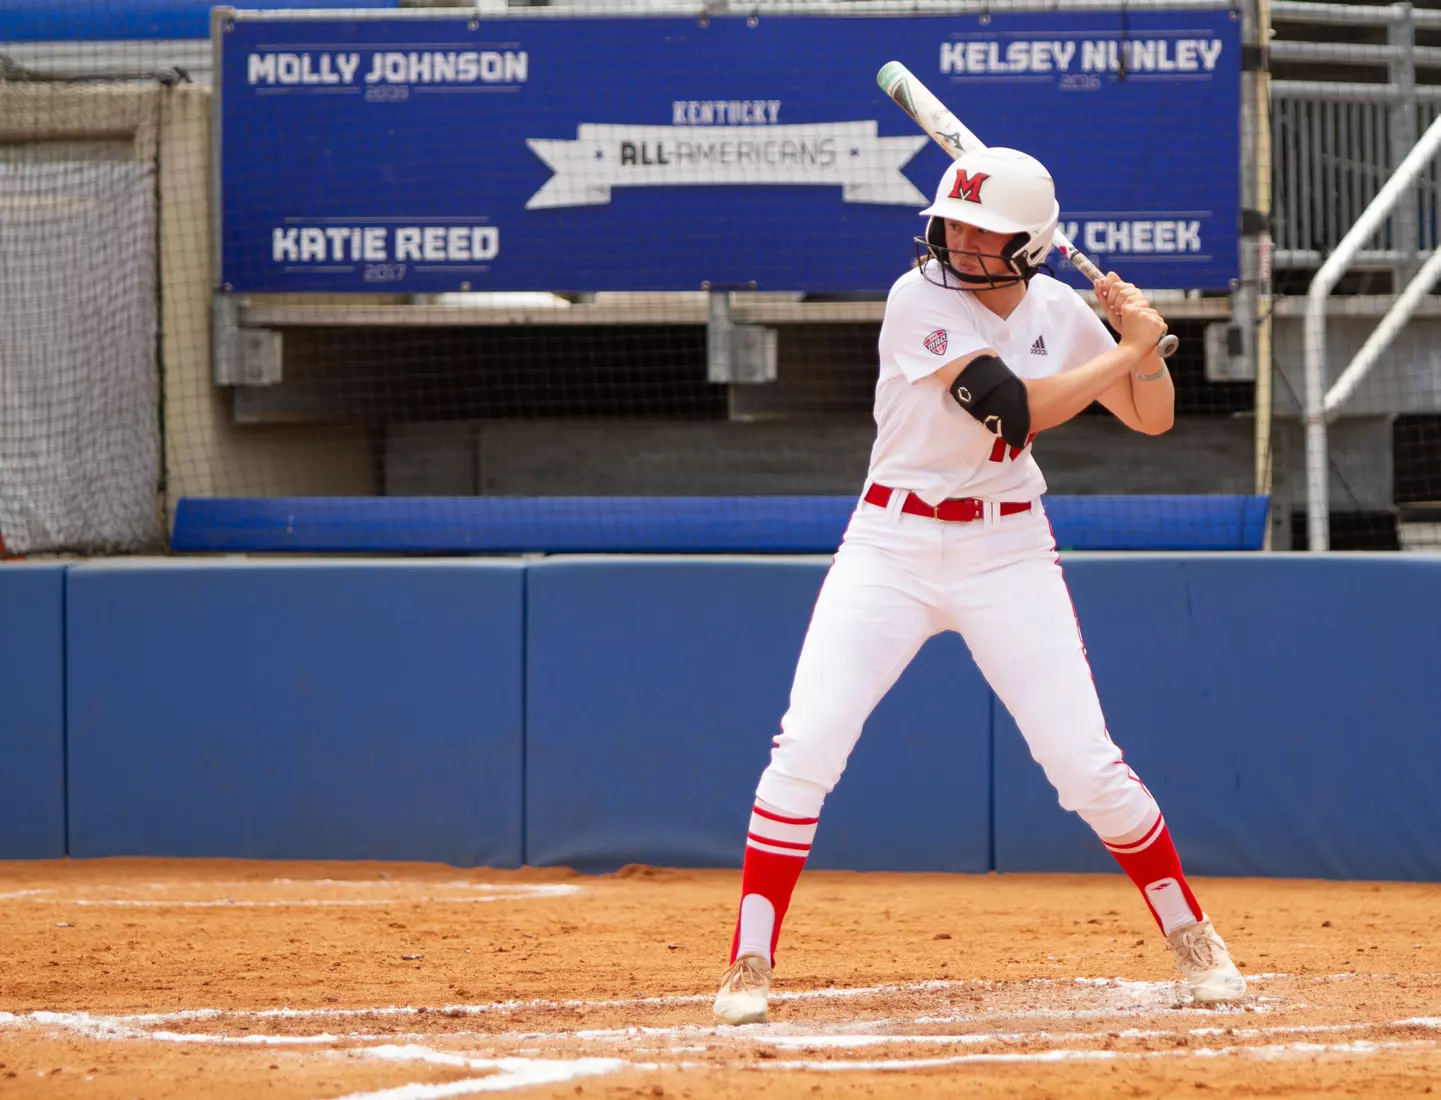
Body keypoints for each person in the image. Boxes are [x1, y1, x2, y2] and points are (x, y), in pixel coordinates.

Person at [711, 147, 1246, 1026]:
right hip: (891, 544)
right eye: (952, 223)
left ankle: (1193, 936)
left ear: (1029, 244)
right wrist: (1130, 350)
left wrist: (1138, 348)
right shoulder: (915, 298)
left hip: (1007, 552)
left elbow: (1152, 418)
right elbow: (1013, 409)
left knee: (1085, 767)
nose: (958, 240)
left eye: (982, 231)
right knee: (805, 746)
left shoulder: (1059, 309)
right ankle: (749, 961)